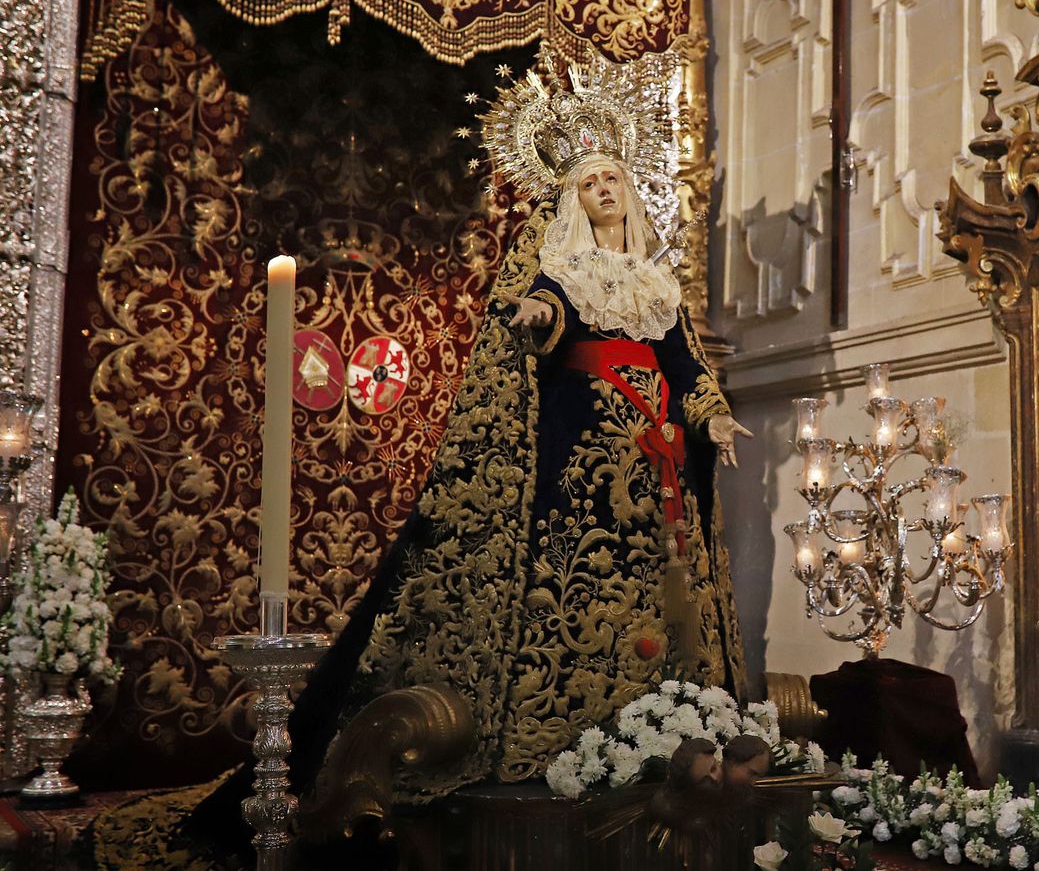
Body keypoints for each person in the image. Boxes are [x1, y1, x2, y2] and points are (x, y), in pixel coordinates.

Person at [88, 55, 754, 868]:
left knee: (653, 595)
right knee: (573, 590)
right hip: (574, 463)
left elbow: (687, 368)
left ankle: (651, 729)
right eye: (589, 182)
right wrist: (541, 311)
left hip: (658, 473)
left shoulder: (659, 284)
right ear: (570, 198)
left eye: (613, 176)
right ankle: (554, 732)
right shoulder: (556, 261)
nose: (605, 189)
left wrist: (714, 420)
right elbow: (539, 315)